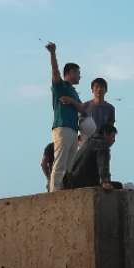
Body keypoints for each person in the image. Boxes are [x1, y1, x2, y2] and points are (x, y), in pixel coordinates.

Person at [46, 41, 88, 190]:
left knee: (70, 165)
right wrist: (53, 53)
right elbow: (55, 72)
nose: (79, 76)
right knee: (60, 162)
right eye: (77, 73)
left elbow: (82, 109)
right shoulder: (61, 86)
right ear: (70, 73)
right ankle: (55, 191)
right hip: (62, 127)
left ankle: (66, 189)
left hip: (73, 129)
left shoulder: (73, 91)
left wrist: (71, 101)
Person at [64, 125, 118, 190]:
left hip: (72, 180)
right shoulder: (103, 145)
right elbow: (103, 164)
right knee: (119, 186)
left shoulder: (88, 143)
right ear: (105, 134)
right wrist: (105, 181)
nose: (114, 140)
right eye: (113, 136)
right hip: (84, 182)